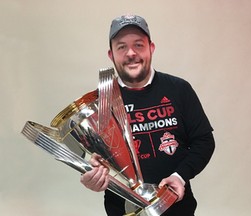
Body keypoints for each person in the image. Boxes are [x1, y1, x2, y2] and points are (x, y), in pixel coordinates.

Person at [80, 14, 215, 216]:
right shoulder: (100, 102)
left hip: (177, 208)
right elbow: (92, 156)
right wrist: (91, 175)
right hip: (123, 211)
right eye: (122, 47)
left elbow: (204, 141)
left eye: (138, 45)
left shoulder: (179, 89)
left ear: (151, 48)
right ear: (111, 55)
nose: (131, 53)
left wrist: (180, 176)